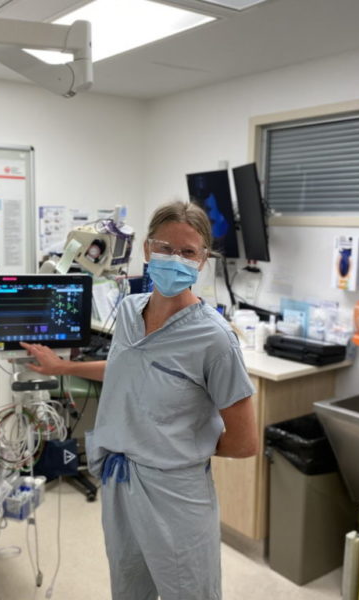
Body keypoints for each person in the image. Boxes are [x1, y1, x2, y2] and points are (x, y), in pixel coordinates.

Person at [20, 200, 258, 600]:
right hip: (120, 479)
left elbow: (245, 441)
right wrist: (62, 368)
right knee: (129, 587)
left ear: (202, 260)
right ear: (147, 250)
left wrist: (178, 444)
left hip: (175, 492)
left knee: (189, 592)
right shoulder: (129, 311)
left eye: (187, 252)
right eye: (165, 248)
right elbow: (128, 369)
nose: (175, 259)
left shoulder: (215, 340)